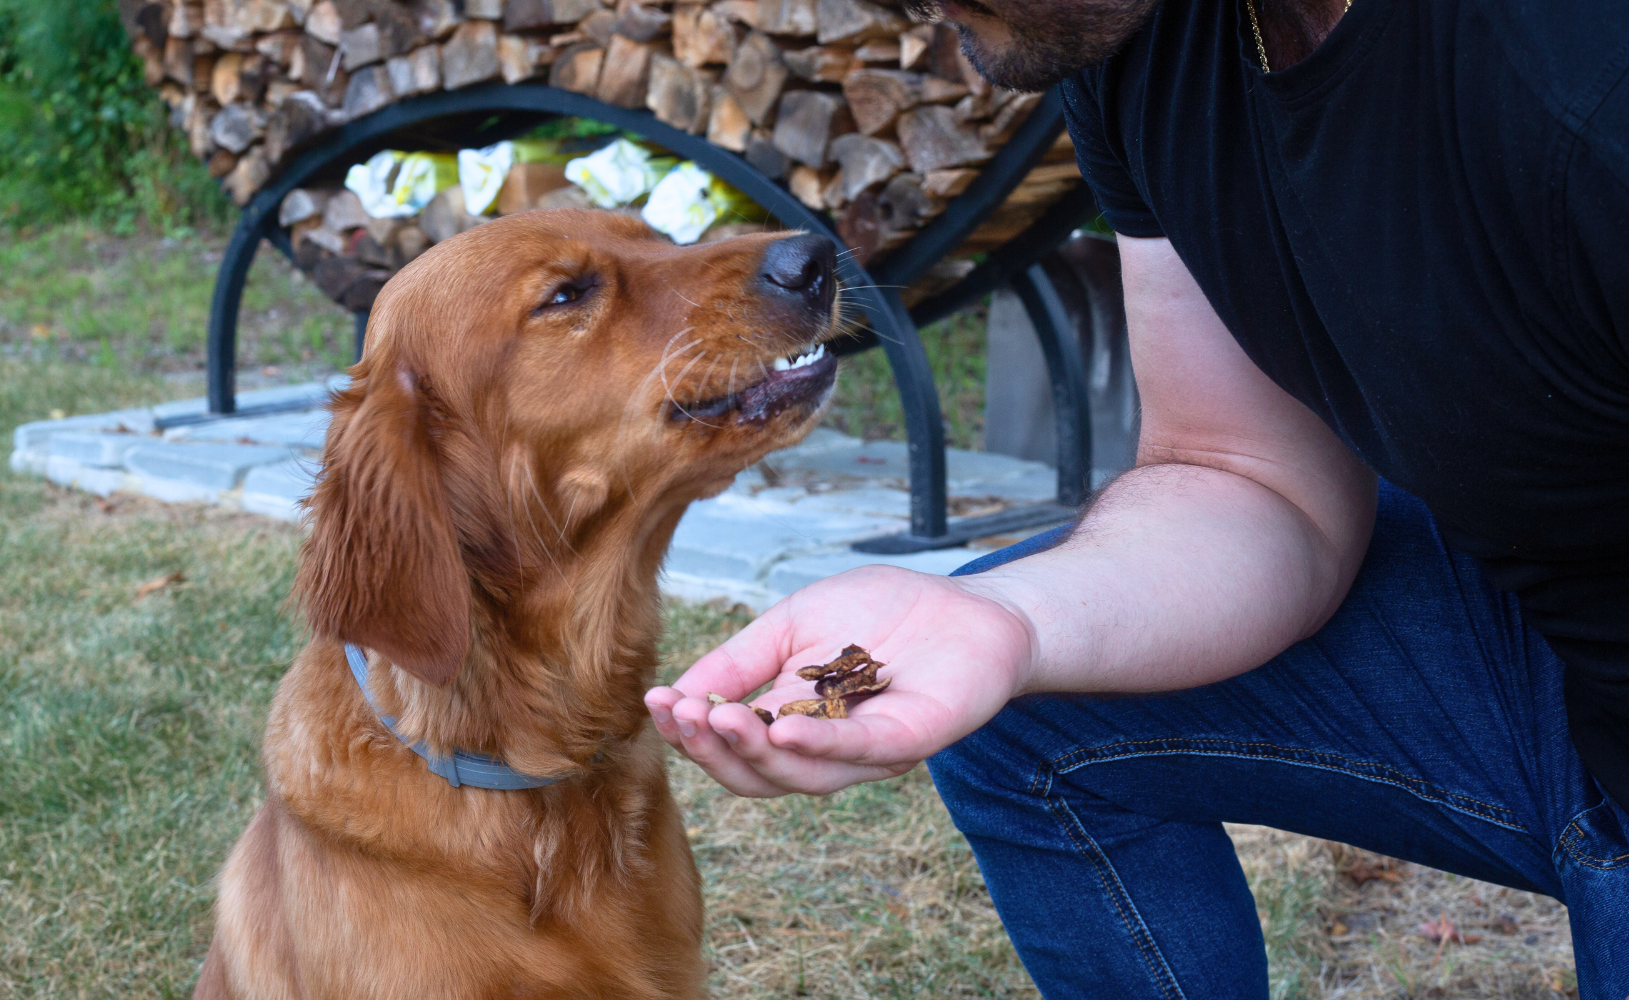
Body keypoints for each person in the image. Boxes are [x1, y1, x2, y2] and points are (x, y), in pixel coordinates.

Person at [644, 0, 1629, 992]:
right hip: (1555, 658)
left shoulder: (1582, 85)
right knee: (1028, 696)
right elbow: (1246, 473)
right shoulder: (1137, 39)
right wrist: (1008, 621)